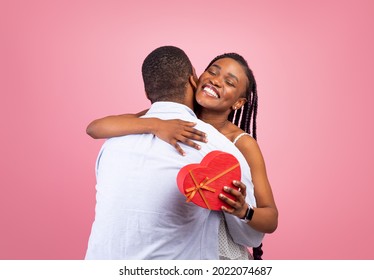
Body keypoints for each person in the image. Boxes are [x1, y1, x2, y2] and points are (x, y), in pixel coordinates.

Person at [86, 52, 278, 260]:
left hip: (223, 248)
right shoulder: (171, 120)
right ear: (195, 78)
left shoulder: (239, 143)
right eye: (212, 71)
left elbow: (270, 217)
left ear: (238, 103)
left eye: (229, 82)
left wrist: (244, 210)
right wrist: (157, 125)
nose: (216, 80)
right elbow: (96, 127)